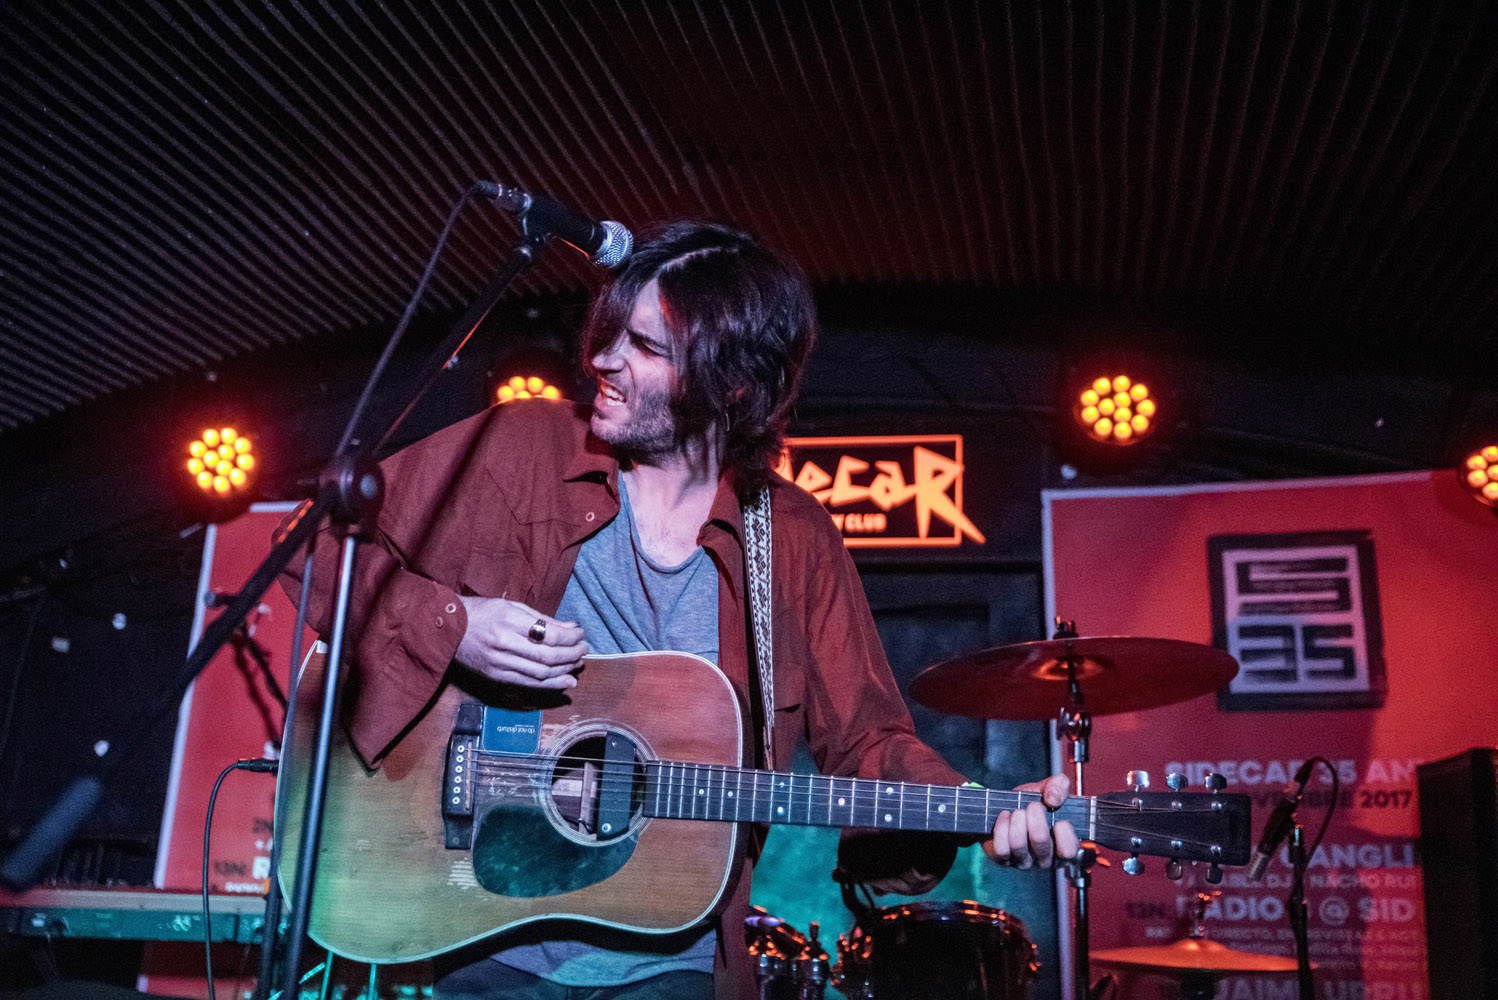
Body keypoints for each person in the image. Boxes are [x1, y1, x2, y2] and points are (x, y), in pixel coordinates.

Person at [283, 220, 1077, 999]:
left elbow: (868, 742)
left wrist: (977, 810)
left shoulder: (793, 538)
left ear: (731, 385)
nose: (602, 359)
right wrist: (457, 629)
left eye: (645, 347)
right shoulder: (524, 447)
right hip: (486, 935)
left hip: (677, 966)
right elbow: (310, 547)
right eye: (609, 333)